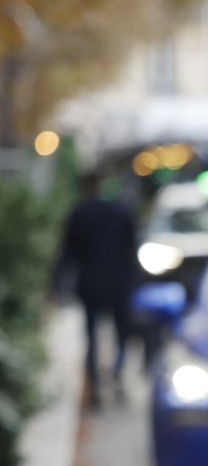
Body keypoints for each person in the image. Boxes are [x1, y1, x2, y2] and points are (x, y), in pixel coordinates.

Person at [53, 170, 139, 406]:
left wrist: (55, 285)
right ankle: (117, 376)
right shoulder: (121, 211)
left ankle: (95, 387)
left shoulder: (79, 213)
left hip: (91, 285)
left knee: (91, 338)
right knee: (121, 335)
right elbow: (132, 249)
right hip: (118, 283)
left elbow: (68, 253)